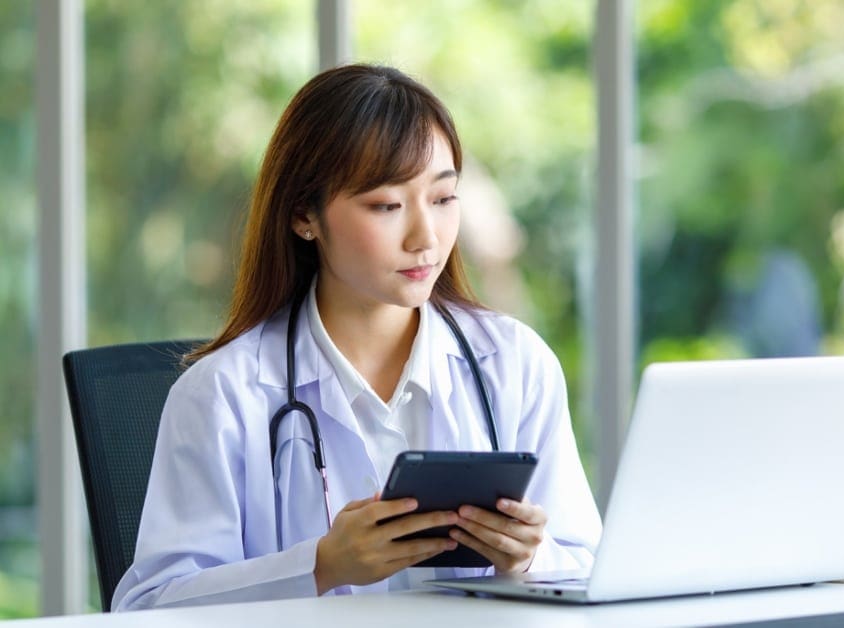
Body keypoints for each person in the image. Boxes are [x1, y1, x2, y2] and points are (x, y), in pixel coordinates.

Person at [113, 63, 602, 611]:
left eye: (443, 199)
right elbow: (149, 608)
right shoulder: (223, 393)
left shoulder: (513, 363)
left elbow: (591, 567)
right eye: (386, 206)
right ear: (305, 215)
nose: (426, 238)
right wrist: (321, 567)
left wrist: (529, 557)